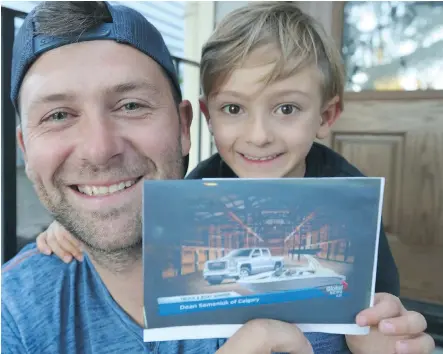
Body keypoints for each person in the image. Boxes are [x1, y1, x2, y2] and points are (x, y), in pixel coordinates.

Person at [8, 2, 434, 354]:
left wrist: (384, 329)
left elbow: (376, 314)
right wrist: (72, 217)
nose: (259, 136)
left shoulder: (347, 203)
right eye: (58, 115)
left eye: (131, 105)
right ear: (209, 118)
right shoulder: (17, 311)